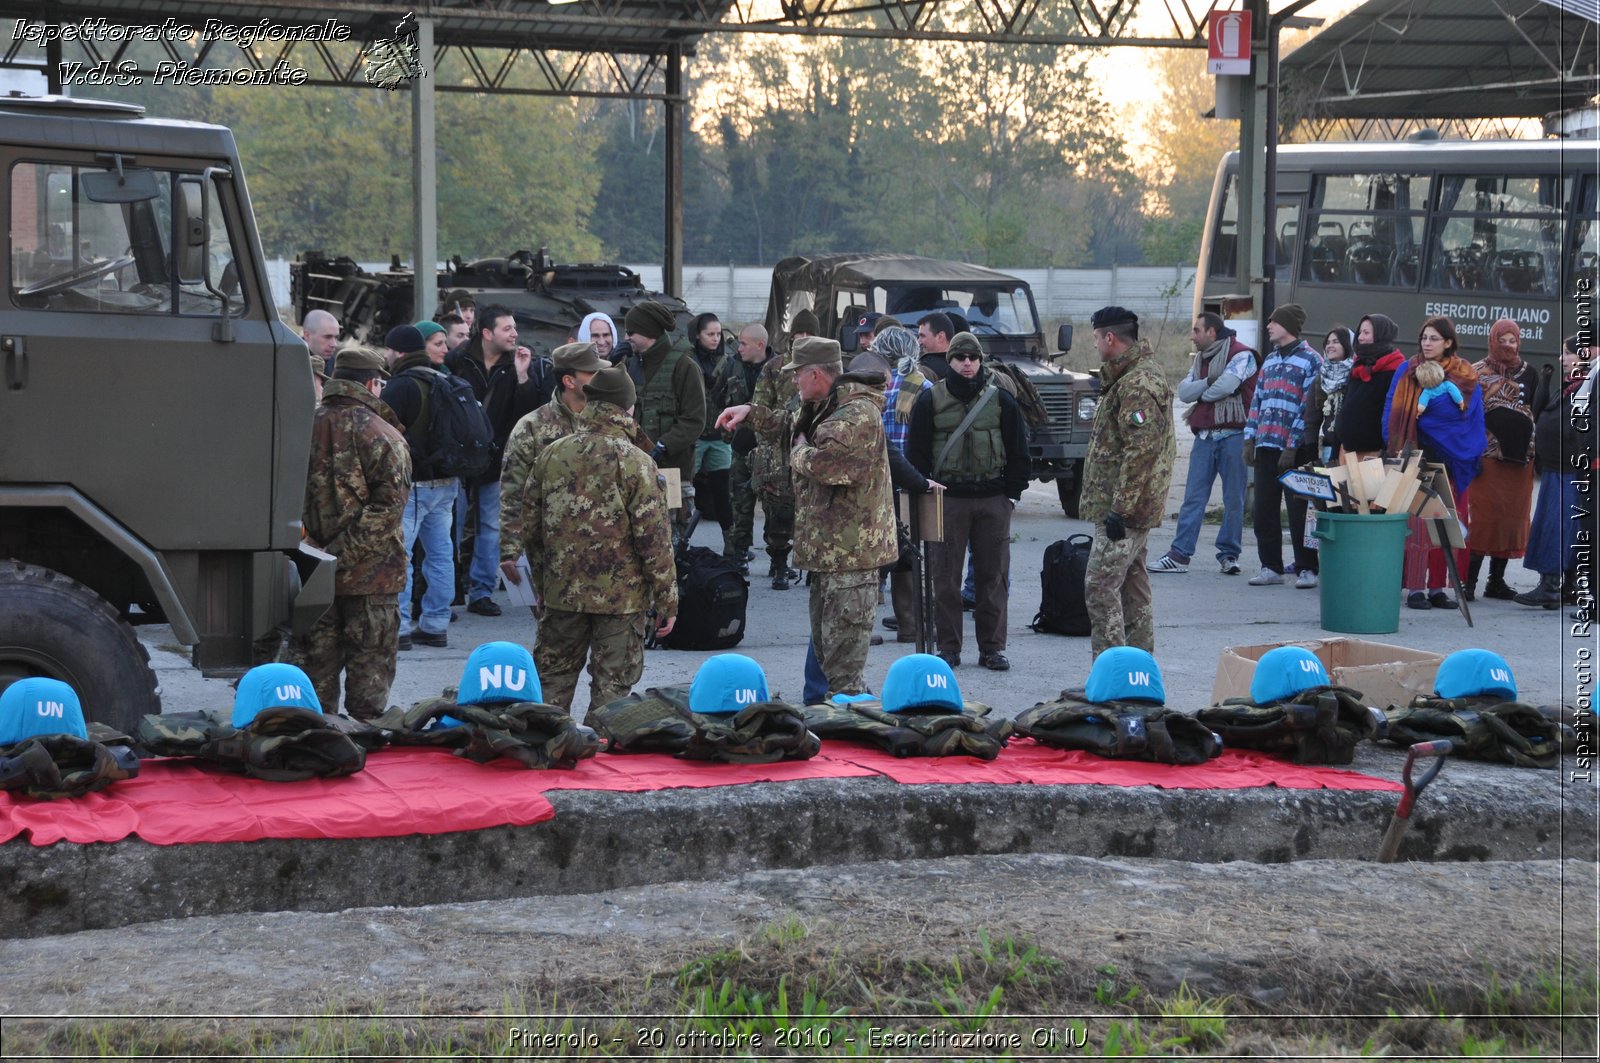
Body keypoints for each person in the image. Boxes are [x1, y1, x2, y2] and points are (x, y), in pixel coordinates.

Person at [718, 338, 898, 697]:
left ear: (816, 374)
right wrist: (750, 412)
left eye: (797, 375)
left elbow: (830, 465)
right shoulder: (824, 405)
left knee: (843, 670)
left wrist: (799, 453)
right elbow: (788, 424)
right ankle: (829, 730)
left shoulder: (856, 414)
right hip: (830, 556)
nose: (794, 381)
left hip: (850, 558)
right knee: (828, 656)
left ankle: (851, 738)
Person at [523, 366, 677, 716]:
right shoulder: (638, 463)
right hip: (621, 601)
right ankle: (604, 762)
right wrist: (667, 600)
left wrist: (543, 582)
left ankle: (543, 753)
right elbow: (654, 542)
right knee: (613, 696)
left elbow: (530, 527)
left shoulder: (551, 454)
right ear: (628, 409)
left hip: (562, 593)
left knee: (550, 684)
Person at [286, 344, 410, 719]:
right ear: (373, 384)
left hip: (311, 573)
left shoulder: (298, 427)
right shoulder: (383, 434)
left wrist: (319, 554)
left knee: (315, 673)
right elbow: (387, 509)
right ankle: (363, 751)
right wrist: (341, 554)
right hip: (372, 578)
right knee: (369, 677)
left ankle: (316, 741)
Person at [906, 332, 1029, 670]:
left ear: (980, 360)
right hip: (948, 499)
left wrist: (1011, 495)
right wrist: (924, 491)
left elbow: (1019, 448)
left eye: (973, 358)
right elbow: (915, 452)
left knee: (994, 577)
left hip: (993, 498)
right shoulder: (930, 400)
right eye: (960, 357)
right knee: (945, 579)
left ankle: (992, 649)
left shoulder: (1001, 399)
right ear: (950, 361)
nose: (967, 364)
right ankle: (949, 648)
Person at [1079, 307, 1175, 658]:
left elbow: (1142, 450)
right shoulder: (1133, 375)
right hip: (1132, 506)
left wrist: (1120, 508)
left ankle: (1111, 675)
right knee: (1134, 586)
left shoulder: (1136, 382)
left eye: (1095, 338)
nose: (1094, 345)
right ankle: (1139, 668)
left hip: (1124, 511)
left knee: (1100, 588)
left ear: (1110, 338)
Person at [446, 304, 543, 618]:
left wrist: (523, 375)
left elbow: (528, 412)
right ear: (487, 333)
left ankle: (482, 591)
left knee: (490, 526)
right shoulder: (458, 360)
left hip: (495, 457)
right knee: (452, 524)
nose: (515, 333)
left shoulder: (516, 363)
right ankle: (450, 590)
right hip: (458, 458)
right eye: (507, 328)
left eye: (515, 328)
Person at [1382, 315, 1485, 610]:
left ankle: (1438, 588)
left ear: (1449, 342)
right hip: (1415, 454)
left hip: (1453, 457)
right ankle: (1415, 588)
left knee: (1445, 523)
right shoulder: (1408, 369)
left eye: (1434, 338)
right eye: (1424, 338)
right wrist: (1394, 442)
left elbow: (1468, 414)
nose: (1427, 343)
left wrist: (1432, 419)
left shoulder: (1464, 373)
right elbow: (1393, 407)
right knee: (1417, 525)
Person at [499, 340, 615, 595]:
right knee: (555, 633)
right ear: (569, 381)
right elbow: (513, 491)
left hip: (607, 557)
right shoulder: (532, 427)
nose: (600, 378)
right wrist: (510, 550)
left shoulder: (611, 421)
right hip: (552, 557)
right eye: (592, 373)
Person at [1149, 312, 1257, 576]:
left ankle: (1229, 555)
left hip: (1233, 436)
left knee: (1234, 499)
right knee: (1193, 499)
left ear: (1212, 332)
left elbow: (1228, 385)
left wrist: (1206, 391)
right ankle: (1179, 556)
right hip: (1206, 437)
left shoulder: (1242, 355)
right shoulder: (1200, 360)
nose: (1191, 336)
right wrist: (1210, 382)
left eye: (1197, 331)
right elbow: (1185, 393)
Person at [381, 325, 464, 650]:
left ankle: (400, 628)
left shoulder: (401, 386)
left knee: (403, 557)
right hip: (447, 483)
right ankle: (435, 624)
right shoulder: (442, 380)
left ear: (398, 351)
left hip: (414, 485)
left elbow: (386, 435)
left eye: (388, 350)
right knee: (441, 554)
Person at [1243, 303, 1322, 589]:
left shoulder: (1311, 360)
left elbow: (1308, 408)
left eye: (1274, 322)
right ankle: (1270, 566)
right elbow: (1257, 401)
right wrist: (1250, 437)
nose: (1268, 326)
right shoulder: (1271, 361)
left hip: (1295, 451)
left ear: (1288, 326)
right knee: (1264, 508)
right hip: (1265, 444)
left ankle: (1307, 568)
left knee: (1299, 511)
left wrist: (1292, 445)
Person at [1464, 319, 1538, 602]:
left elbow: (1535, 408)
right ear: (1492, 340)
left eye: (1513, 340)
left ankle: (1496, 582)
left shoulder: (1530, 373)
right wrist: (1471, 454)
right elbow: (1466, 418)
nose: (1508, 345)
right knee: (1483, 521)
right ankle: (1468, 582)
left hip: (1520, 462)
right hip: (1488, 459)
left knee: (1511, 521)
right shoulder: (1475, 372)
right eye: (1503, 339)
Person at [1518, 335, 1594, 607]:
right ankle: (1567, 585)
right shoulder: (1570, 384)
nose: (1562, 359)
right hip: (1556, 466)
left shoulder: (1585, 385)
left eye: (1567, 354)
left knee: (1556, 527)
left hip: (1567, 468)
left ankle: (1551, 585)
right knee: (1564, 527)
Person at [621, 300, 707, 539]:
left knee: (671, 546)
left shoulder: (683, 367)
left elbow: (694, 420)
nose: (626, 337)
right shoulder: (630, 366)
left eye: (631, 332)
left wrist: (662, 446)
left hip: (672, 474)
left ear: (648, 332)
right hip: (634, 475)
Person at [874, 324, 933, 639]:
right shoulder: (922, 386)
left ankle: (859, 622)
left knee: (874, 554)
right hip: (911, 484)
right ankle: (910, 625)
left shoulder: (874, 385)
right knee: (908, 556)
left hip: (877, 485)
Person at [725, 324, 774, 574]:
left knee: (775, 505)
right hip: (742, 446)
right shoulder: (732, 367)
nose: (739, 348)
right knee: (741, 504)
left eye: (743, 343)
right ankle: (740, 552)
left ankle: (778, 560)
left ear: (759, 345)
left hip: (771, 450)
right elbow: (717, 398)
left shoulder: (779, 369)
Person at [688, 312, 736, 553]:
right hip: (694, 438)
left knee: (722, 494)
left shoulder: (728, 361)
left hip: (719, 437)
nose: (715, 338)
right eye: (710, 334)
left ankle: (731, 545)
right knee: (685, 494)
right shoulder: (687, 360)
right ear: (698, 335)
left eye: (718, 334)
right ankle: (678, 542)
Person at [1335, 314, 1406, 460]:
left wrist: (1386, 453)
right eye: (1360, 332)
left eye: (1366, 333)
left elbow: (1394, 415)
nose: (1360, 337)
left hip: (1374, 456)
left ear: (1381, 335)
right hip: (1347, 452)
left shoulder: (1395, 370)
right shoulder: (1358, 366)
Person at [1317, 325, 1355, 461]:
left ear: (1348, 345)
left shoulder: (1356, 374)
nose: (1330, 346)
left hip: (1347, 449)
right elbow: (1312, 414)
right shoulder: (1321, 375)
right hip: (1325, 446)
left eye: (1335, 342)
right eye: (1327, 343)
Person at [301, 309, 341, 377]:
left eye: (336, 337)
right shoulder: (289, 361)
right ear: (307, 336)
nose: (334, 344)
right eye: (327, 337)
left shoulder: (334, 365)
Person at [916, 311, 954, 381]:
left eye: (922, 336)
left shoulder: (923, 371)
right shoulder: (964, 365)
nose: (918, 342)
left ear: (940, 337)